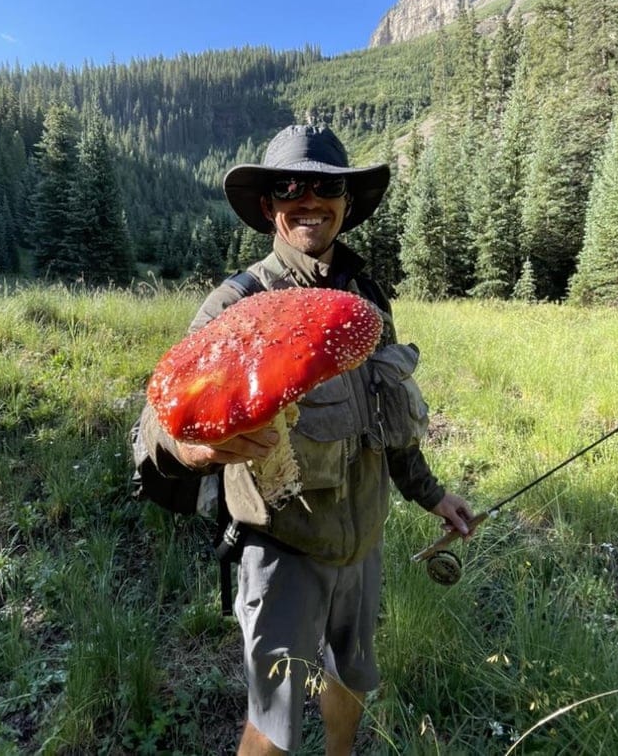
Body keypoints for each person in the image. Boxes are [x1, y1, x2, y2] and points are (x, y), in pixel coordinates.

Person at [137, 124, 473, 755]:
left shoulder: (364, 301)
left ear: (347, 203)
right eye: (291, 186)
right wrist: (191, 450)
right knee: (273, 720)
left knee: (349, 677)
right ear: (269, 206)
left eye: (327, 186)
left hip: (363, 539)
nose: (309, 198)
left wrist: (431, 495)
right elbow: (161, 416)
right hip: (282, 548)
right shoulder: (237, 304)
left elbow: (388, 414)